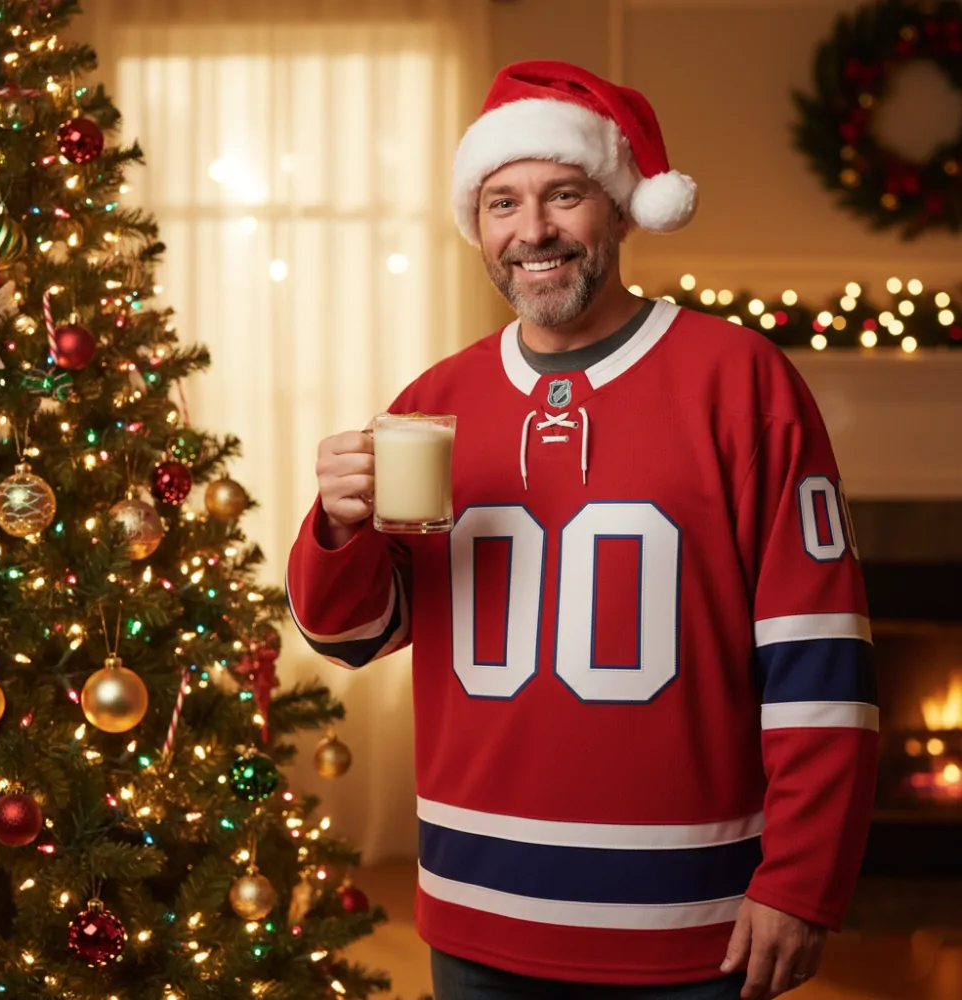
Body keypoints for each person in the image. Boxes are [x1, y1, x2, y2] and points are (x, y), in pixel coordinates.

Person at [287, 60, 879, 1000]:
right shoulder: (431, 403)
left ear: (618, 207)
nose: (533, 232)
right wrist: (336, 524)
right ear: (477, 227)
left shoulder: (742, 380)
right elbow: (352, 633)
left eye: (564, 195)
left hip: (691, 922)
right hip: (473, 907)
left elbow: (819, 659)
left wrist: (803, 880)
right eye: (502, 203)